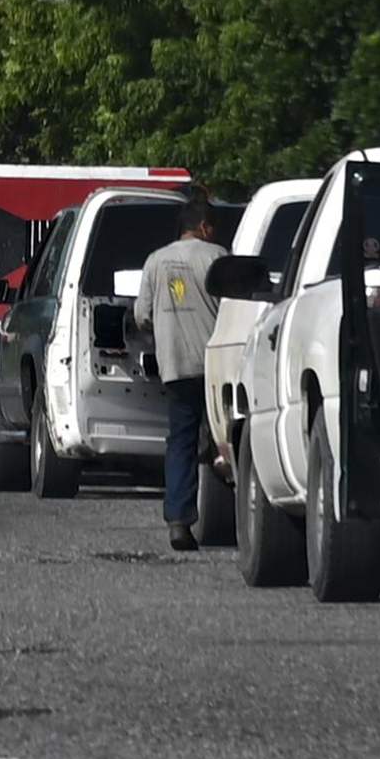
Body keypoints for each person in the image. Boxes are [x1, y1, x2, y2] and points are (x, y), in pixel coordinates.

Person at [139, 196, 231, 553]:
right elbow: (235, 306)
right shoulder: (217, 256)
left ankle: (179, 522)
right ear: (205, 227)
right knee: (226, 438)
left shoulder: (155, 261)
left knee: (181, 443)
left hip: (175, 366)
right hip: (215, 366)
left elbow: (142, 315)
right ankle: (232, 514)